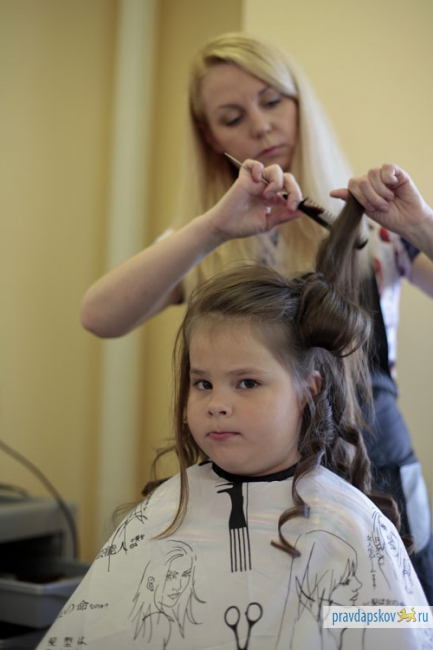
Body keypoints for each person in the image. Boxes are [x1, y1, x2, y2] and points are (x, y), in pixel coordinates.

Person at [80, 33, 433, 600]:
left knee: (386, 619)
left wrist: (421, 227)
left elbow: (401, 633)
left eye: (272, 102)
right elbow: (99, 315)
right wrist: (214, 227)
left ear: (300, 104)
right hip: (254, 493)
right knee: (275, 624)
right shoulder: (208, 243)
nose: (261, 126)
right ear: (210, 136)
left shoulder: (380, 232)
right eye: (233, 117)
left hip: (378, 479)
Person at [39, 198, 432, 650]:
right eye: (202, 383)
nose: (217, 405)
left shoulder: (350, 524)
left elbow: (396, 627)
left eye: (247, 383)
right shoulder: (164, 514)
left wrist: (322, 622)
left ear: (309, 389)